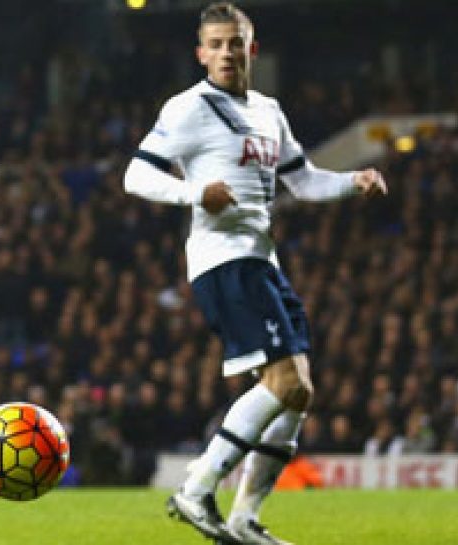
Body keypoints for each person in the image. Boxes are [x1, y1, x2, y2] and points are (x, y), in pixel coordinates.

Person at [122, 3, 387, 544]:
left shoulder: (268, 111)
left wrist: (352, 181)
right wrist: (194, 192)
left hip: (262, 258)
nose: (226, 52)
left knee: (299, 392)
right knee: (286, 383)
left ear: (252, 48)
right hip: (225, 260)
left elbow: (303, 181)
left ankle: (244, 518)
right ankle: (197, 489)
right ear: (200, 54)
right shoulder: (189, 107)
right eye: (215, 44)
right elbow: (135, 175)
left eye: (234, 42)